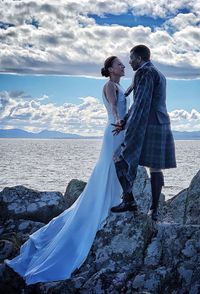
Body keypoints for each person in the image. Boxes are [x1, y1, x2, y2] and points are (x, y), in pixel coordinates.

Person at [5, 56, 128, 285]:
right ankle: (103, 204)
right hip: (115, 130)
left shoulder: (119, 86)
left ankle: (112, 200)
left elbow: (122, 100)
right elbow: (113, 107)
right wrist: (121, 122)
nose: (123, 66)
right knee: (109, 167)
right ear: (111, 69)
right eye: (119, 64)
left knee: (114, 167)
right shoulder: (110, 85)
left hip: (119, 130)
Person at [111, 45, 176, 221]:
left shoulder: (144, 72)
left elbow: (141, 104)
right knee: (155, 167)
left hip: (147, 125)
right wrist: (124, 121)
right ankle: (154, 210)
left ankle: (129, 201)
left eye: (131, 58)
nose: (129, 62)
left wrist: (128, 127)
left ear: (139, 59)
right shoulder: (159, 73)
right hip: (161, 123)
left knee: (119, 157)